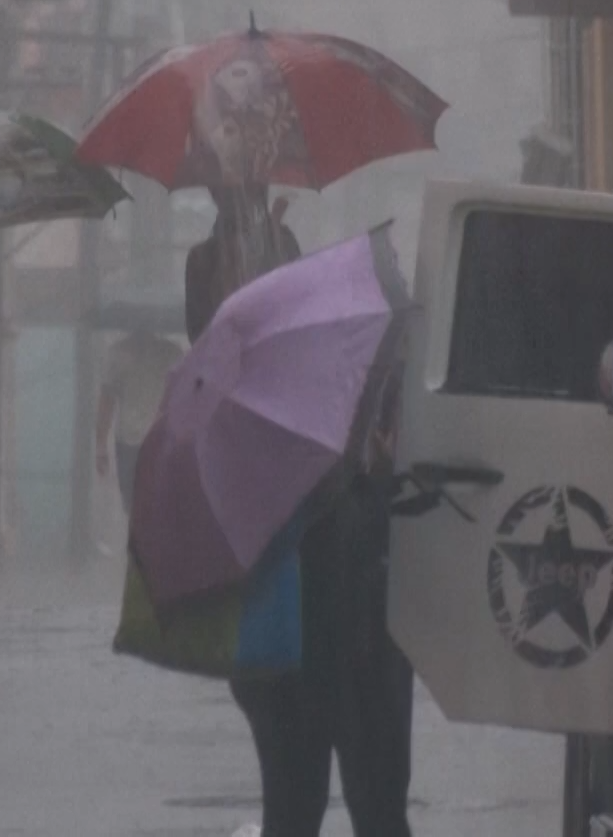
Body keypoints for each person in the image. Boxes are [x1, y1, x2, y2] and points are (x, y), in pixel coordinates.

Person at [226, 358, 416, 837]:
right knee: (375, 812)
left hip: (285, 679)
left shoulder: (263, 469)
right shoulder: (357, 493)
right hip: (353, 672)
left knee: (294, 815)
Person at [187, 185, 301, 342]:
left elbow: (297, 314)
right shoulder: (202, 259)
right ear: (215, 193)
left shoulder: (283, 241)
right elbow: (200, 337)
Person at [96, 328, 186, 515]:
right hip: (161, 440)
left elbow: (107, 402)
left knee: (133, 503)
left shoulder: (118, 354)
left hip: (130, 441)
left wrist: (101, 445)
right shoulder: (172, 354)